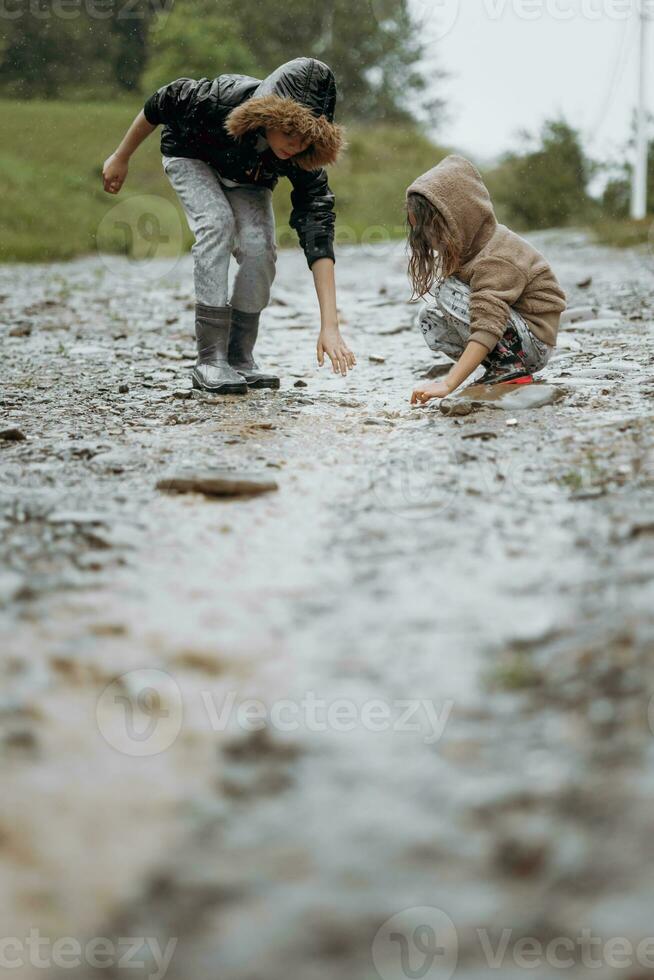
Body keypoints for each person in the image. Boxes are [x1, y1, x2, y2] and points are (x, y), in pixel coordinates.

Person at [102, 57, 356, 394]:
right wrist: (121, 157)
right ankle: (210, 358)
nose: (295, 144)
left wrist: (330, 326)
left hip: (249, 177)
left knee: (260, 250)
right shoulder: (219, 99)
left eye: (306, 138)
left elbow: (318, 231)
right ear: (266, 114)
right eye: (289, 131)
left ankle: (239, 356)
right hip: (191, 155)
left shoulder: (300, 156)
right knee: (217, 223)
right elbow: (162, 100)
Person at [406, 155, 566, 406]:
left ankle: (510, 367)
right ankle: (500, 365)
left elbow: (488, 320)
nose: (425, 241)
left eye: (428, 231)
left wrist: (448, 383)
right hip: (516, 335)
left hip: (534, 341)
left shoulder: (497, 256)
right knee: (430, 317)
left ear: (459, 219)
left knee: (447, 292)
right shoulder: (471, 248)